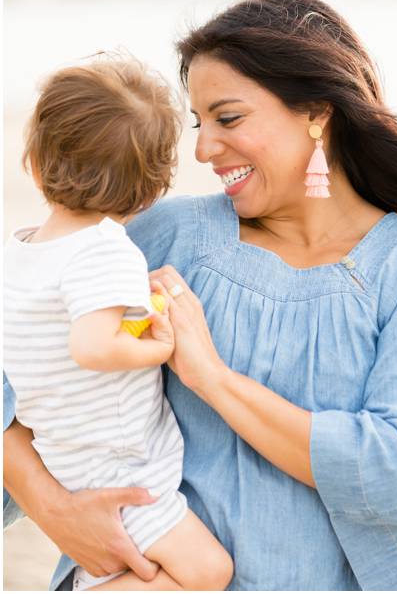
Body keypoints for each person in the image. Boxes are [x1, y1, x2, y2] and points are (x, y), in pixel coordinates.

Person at [3, 0, 397, 590]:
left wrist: (214, 380)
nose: (202, 149)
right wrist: (55, 511)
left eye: (228, 118)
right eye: (198, 124)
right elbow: (15, 378)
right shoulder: (161, 236)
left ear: (316, 113)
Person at [4, 57, 233, 590]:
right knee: (207, 571)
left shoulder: (22, 250)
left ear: (34, 163)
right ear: (149, 192)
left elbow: (70, 338)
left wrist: (131, 317)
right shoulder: (107, 250)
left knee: (136, 563)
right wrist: (156, 340)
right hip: (120, 465)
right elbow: (92, 345)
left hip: (66, 453)